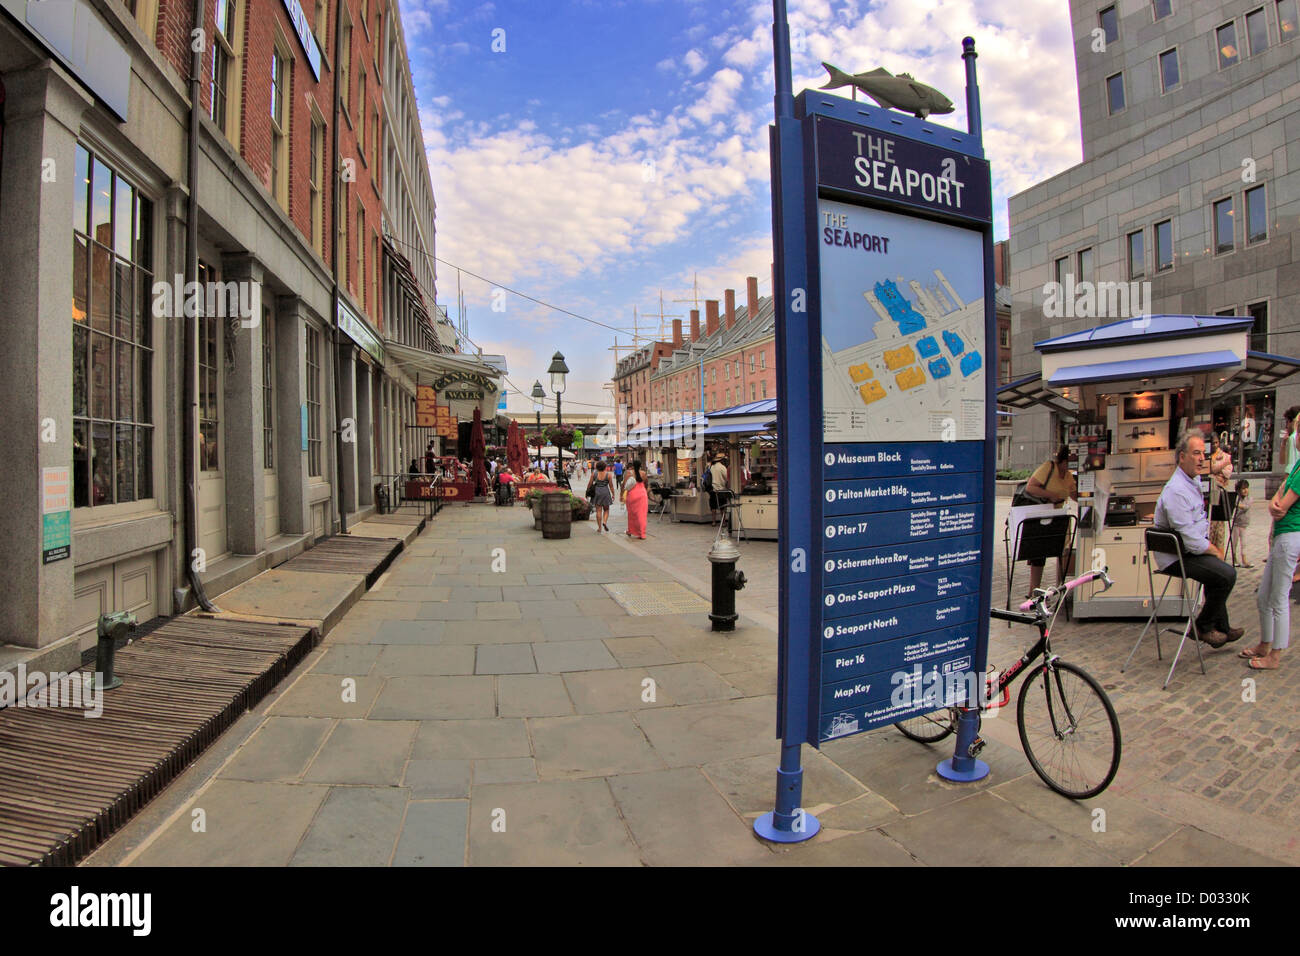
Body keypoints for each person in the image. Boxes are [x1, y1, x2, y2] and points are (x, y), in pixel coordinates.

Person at [1152, 431, 1243, 648]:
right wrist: (1213, 549)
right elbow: (1190, 538)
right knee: (1226, 574)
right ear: (1182, 457)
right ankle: (1202, 626)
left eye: (1203, 453)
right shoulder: (1176, 490)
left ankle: (1221, 626)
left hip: (1186, 550)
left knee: (1218, 573)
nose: (1202, 458)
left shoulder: (1192, 481)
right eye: (1196, 453)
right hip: (1176, 556)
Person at [1247, 457, 1300, 670]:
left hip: (1289, 536)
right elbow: (1277, 498)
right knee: (1264, 595)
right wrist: (1274, 504)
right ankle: (1264, 643)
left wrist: (1276, 504)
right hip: (1282, 536)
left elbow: (1282, 505)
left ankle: (1275, 655)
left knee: (1278, 597)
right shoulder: (1296, 465)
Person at [1022, 445, 1077, 595]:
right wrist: (1050, 494)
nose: (1071, 465)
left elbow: (1074, 494)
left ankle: (1060, 586)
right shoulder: (1049, 467)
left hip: (1059, 516)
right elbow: (1030, 487)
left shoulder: (1068, 476)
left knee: (1061, 550)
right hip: (1042, 513)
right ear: (1063, 460)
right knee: (1039, 555)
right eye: (1070, 461)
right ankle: (1034, 591)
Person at [1207, 431, 1234, 553]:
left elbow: (1228, 473)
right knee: (1210, 525)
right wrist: (1222, 466)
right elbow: (1209, 469)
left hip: (1220, 492)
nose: (1215, 445)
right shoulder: (1206, 455)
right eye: (1212, 443)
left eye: (1216, 442)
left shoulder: (1225, 455)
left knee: (1220, 527)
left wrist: (1215, 471)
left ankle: (1220, 554)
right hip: (1209, 493)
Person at [587, 460, 615, 533]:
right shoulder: (608, 475)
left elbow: (589, 484)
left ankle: (599, 528)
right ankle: (604, 522)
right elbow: (611, 486)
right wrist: (613, 494)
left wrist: (587, 492)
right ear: (605, 467)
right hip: (605, 492)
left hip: (597, 492)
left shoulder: (594, 474)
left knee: (598, 510)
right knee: (606, 509)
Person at [624, 460, 649, 539]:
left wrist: (621, 495)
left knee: (631, 514)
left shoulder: (629, 473)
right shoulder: (644, 473)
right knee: (642, 514)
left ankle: (630, 530)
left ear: (633, 466)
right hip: (642, 494)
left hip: (632, 494)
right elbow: (646, 484)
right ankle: (642, 533)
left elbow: (624, 484)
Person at [1232, 478, 1252, 567]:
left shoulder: (1249, 499)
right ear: (1238, 490)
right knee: (1234, 543)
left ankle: (1244, 560)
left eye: (1246, 488)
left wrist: (1236, 504)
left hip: (1244, 525)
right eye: (1243, 489)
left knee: (1244, 543)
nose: (1245, 490)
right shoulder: (1236, 498)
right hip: (1236, 524)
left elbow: (1246, 507)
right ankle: (1234, 559)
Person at [708, 454, 729, 522]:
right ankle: (723, 522)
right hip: (721, 490)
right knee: (722, 506)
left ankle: (713, 522)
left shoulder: (711, 467)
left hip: (712, 489)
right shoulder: (722, 467)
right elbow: (727, 478)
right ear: (722, 460)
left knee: (713, 506)